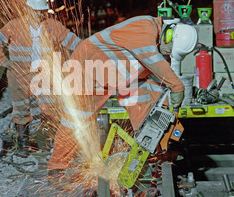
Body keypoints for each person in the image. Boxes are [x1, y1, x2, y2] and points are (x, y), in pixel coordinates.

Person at [47, 15, 197, 181]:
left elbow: (157, 87)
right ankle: (57, 168)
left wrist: (164, 122)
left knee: (146, 114)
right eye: (169, 50)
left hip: (121, 77)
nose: (167, 53)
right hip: (87, 67)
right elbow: (158, 66)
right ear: (168, 35)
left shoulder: (158, 48)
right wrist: (177, 87)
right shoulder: (145, 28)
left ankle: (152, 157)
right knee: (76, 120)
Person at [0, 0, 82, 157]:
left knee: (49, 107)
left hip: (43, 73)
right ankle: (24, 144)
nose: (39, 13)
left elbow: (72, 41)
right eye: (36, 10)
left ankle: (49, 141)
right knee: (21, 108)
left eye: (41, 10)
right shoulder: (15, 25)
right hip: (19, 74)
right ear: (27, 8)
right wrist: (4, 62)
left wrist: (89, 47)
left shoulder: (52, 26)